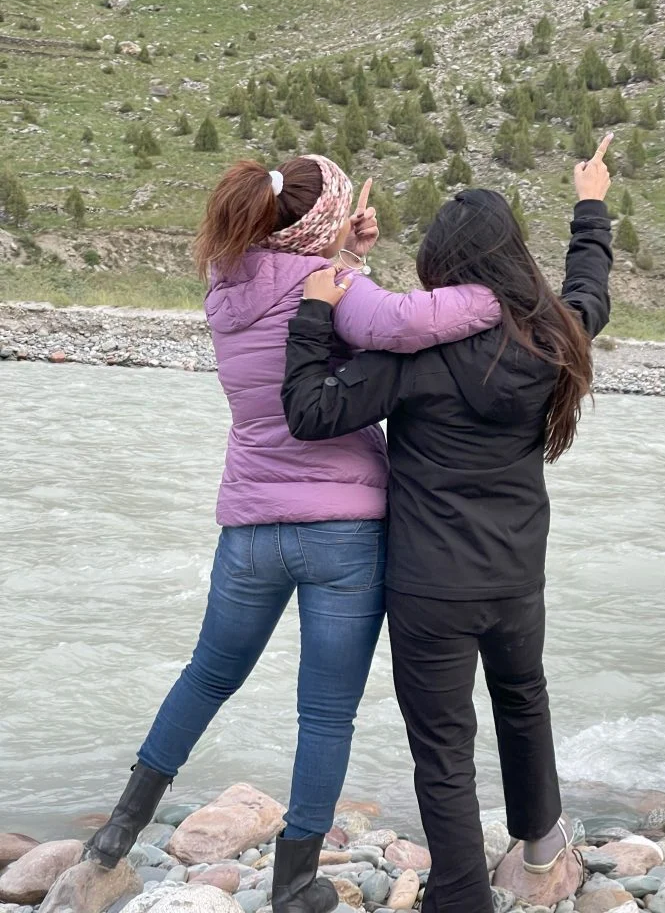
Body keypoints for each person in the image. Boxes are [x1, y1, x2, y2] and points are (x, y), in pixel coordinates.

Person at [83, 154, 501, 913]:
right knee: (324, 712)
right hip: (342, 530)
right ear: (321, 226)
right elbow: (402, 324)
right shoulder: (338, 291)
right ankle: (295, 880)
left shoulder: (225, 284)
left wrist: (345, 251)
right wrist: (494, 296)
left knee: (207, 675)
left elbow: (296, 287)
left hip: (249, 523)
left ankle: (118, 829)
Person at [281, 139, 615, 913]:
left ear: (441, 260)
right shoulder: (558, 335)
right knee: (523, 699)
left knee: (443, 745)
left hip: (431, 583)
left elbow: (310, 411)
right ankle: (540, 849)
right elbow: (591, 290)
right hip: (516, 571)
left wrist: (315, 310)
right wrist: (590, 203)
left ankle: (460, 894)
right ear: (514, 258)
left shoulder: (414, 352)